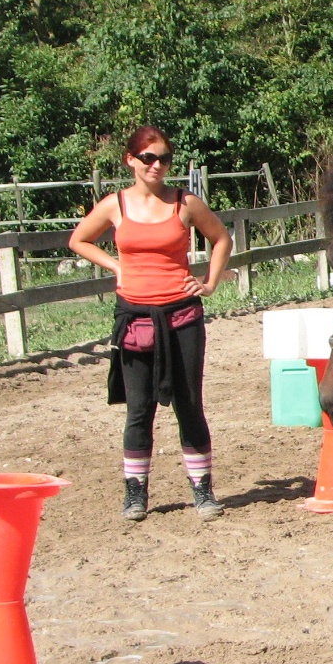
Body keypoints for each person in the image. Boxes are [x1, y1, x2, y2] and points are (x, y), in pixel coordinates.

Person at [69, 126, 232, 522]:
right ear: (131, 160)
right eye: (148, 158)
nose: (157, 165)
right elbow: (79, 240)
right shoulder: (115, 205)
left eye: (164, 159)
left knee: (189, 404)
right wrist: (116, 265)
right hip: (135, 318)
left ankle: (203, 492)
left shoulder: (185, 202)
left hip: (182, 316)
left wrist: (209, 283)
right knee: (138, 410)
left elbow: (221, 239)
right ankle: (135, 495)